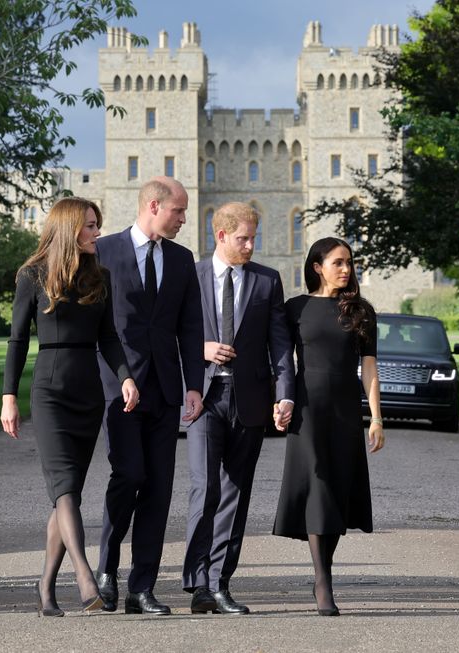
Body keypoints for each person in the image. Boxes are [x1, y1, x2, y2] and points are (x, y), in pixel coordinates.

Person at [0, 197, 139, 617]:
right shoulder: (32, 274)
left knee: (68, 494)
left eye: (97, 225)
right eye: (91, 226)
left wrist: (126, 376)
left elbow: (110, 337)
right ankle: (85, 577)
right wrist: (8, 396)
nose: (97, 232)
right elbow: (18, 340)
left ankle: (45, 591)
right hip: (50, 392)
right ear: (70, 228)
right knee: (63, 487)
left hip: (88, 393)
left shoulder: (102, 276)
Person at [93, 176, 205, 616]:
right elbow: (95, 326)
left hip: (165, 389)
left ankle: (141, 588)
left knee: (158, 489)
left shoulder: (181, 260)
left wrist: (194, 384)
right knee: (129, 476)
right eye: (178, 211)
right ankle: (106, 568)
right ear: (154, 206)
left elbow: (191, 326)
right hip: (117, 389)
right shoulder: (104, 252)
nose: (183, 219)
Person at [182, 202, 295, 615]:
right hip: (203, 398)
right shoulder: (189, 276)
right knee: (205, 487)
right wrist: (202, 349)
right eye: (243, 238)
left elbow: (280, 343)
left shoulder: (267, 281)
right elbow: (168, 336)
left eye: (254, 238)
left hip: (250, 401)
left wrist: (285, 394)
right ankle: (197, 583)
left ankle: (219, 583)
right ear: (221, 236)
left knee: (235, 494)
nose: (250, 245)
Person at [272, 236, 385, 617]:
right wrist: (279, 400)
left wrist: (376, 418)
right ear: (317, 266)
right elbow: (281, 361)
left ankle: (325, 569)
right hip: (307, 410)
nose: (346, 269)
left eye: (349, 262)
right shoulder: (295, 308)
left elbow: (369, 365)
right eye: (338, 262)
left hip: (345, 411)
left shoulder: (361, 311)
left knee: (338, 489)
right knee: (319, 487)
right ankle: (323, 580)